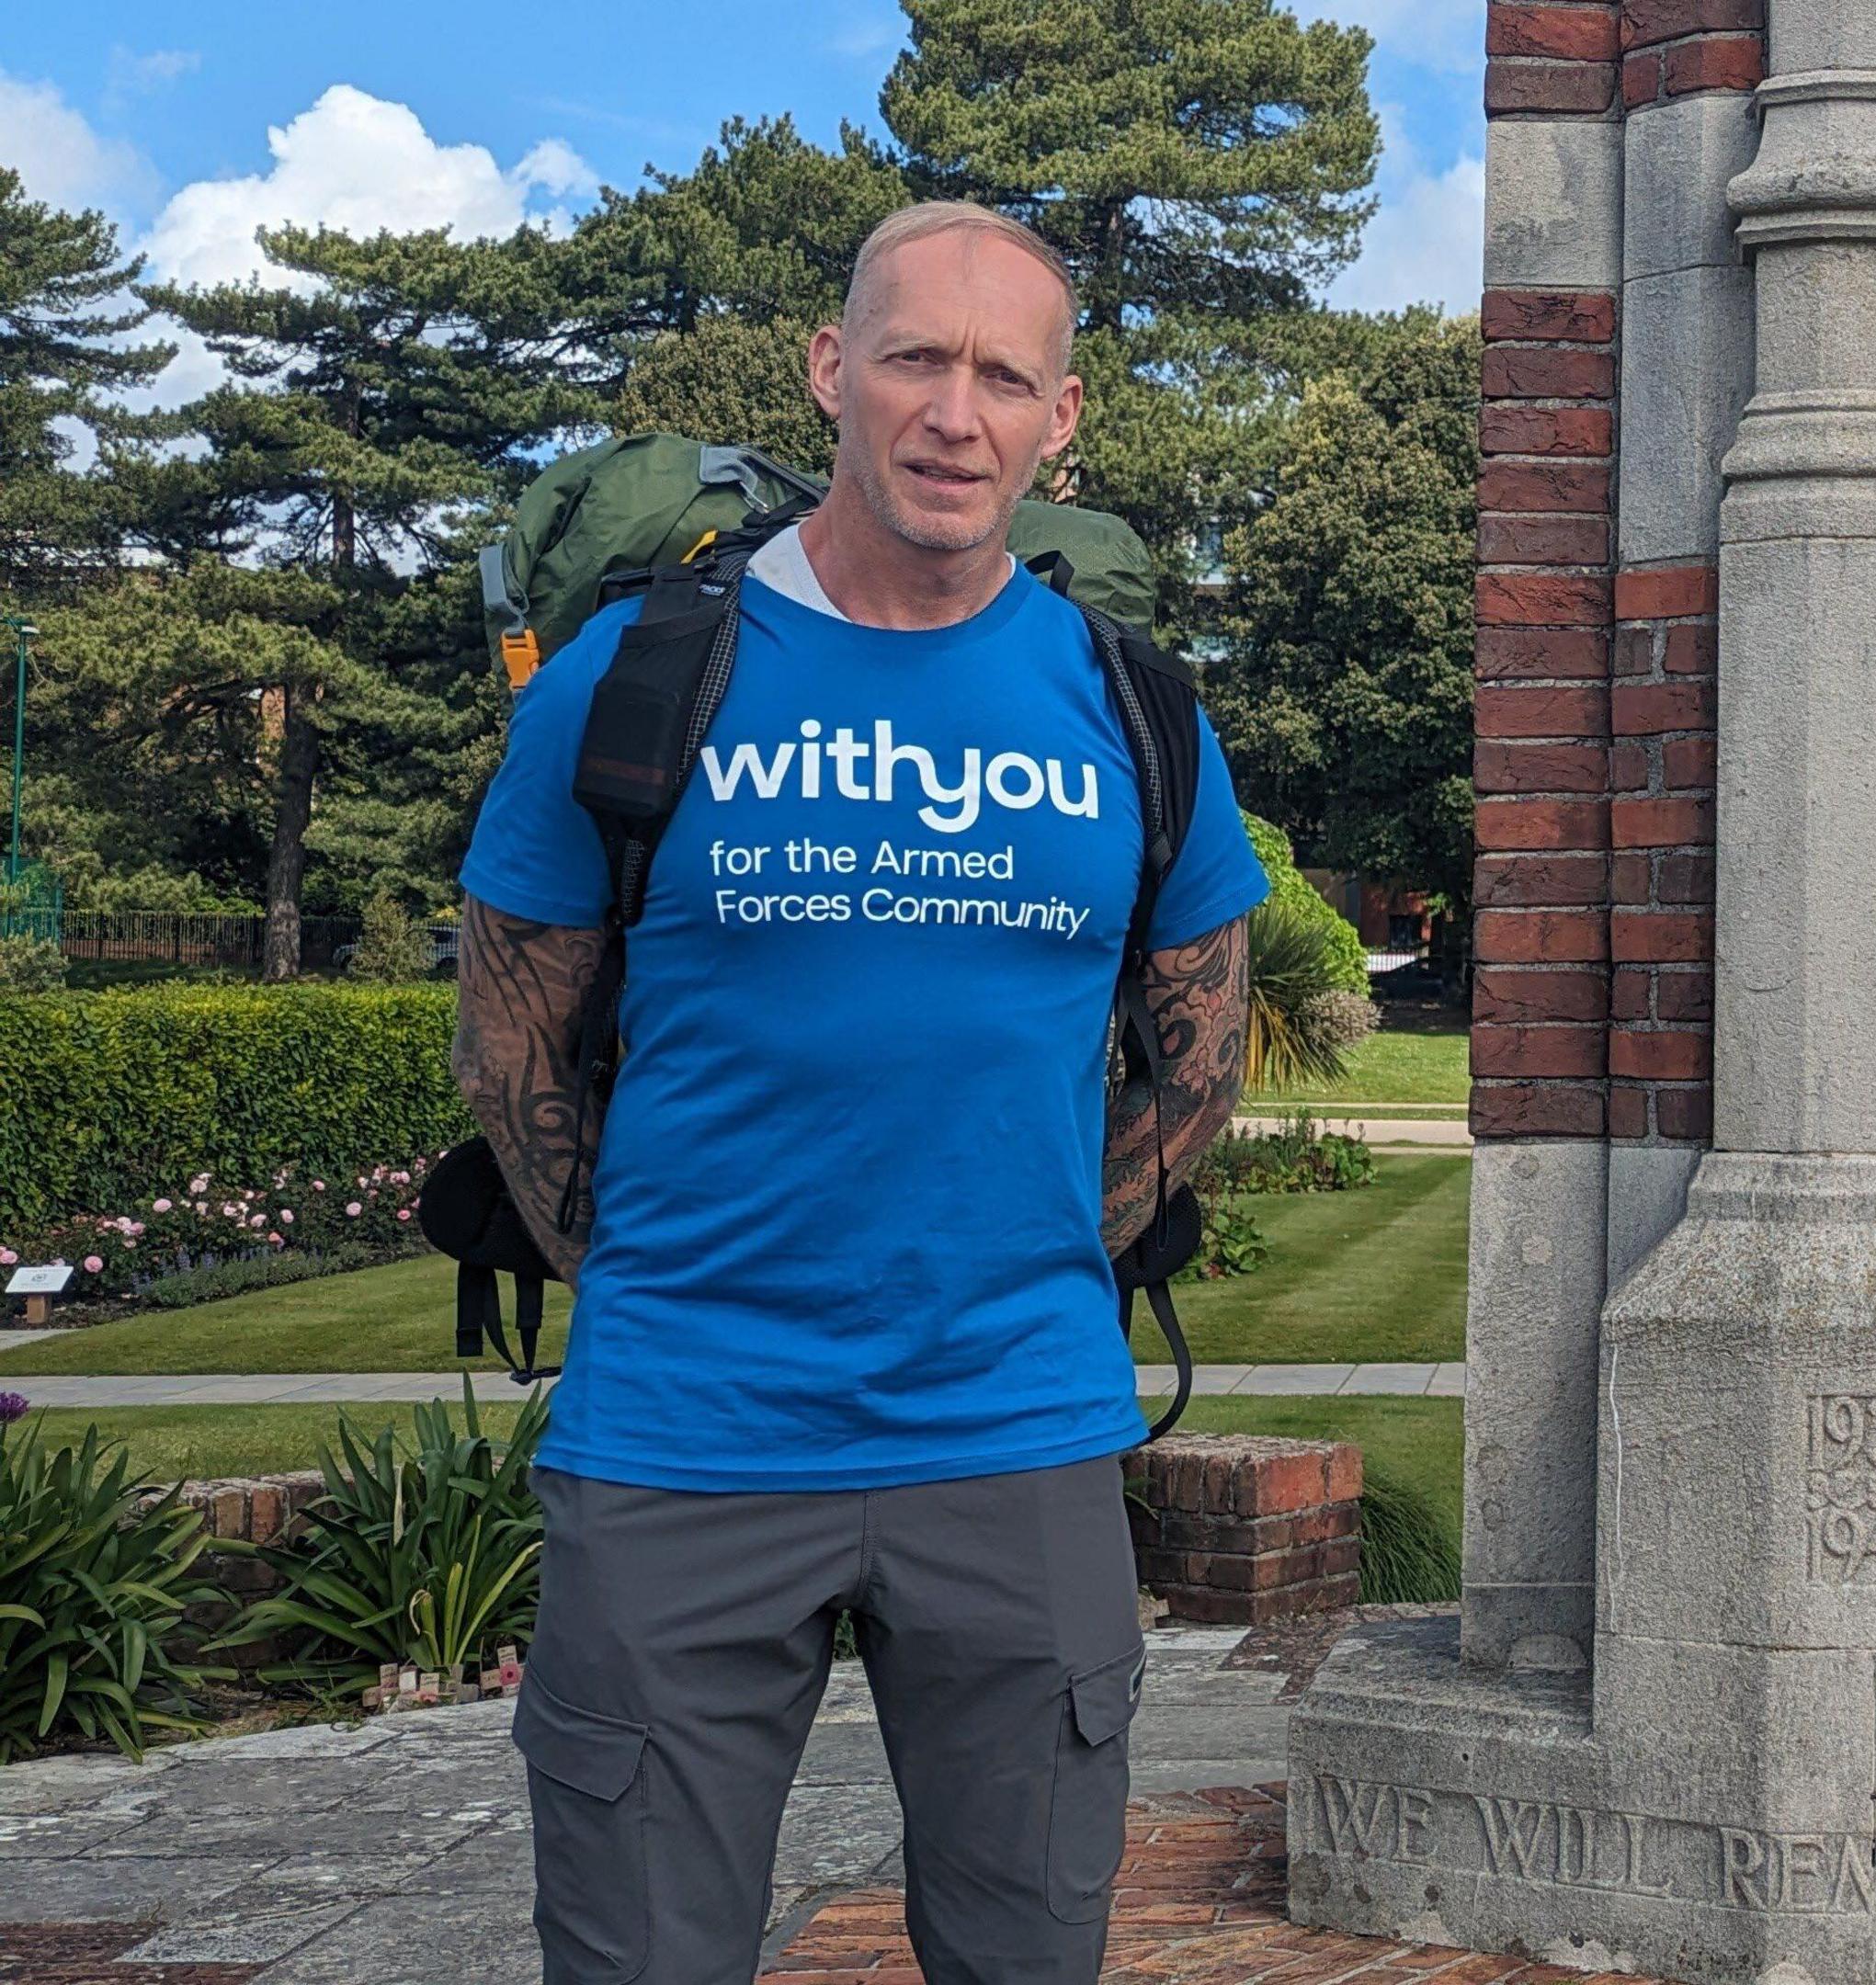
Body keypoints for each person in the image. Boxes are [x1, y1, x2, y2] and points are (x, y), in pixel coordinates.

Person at [454, 201, 1267, 1985]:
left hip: (1019, 1438)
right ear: (833, 370)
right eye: (914, 355)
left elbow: (1206, 1051)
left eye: (1003, 375)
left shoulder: (1133, 710)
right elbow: (510, 1045)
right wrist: (670, 1279)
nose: (953, 412)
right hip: (683, 1439)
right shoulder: (636, 678)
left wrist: (1037, 1252)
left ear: (1064, 419)